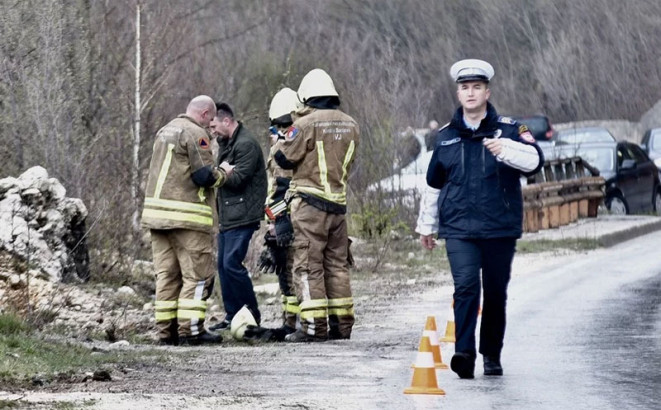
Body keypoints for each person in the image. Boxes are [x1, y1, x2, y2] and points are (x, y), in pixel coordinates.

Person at [416, 59, 544, 378]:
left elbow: (535, 162)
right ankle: (464, 353)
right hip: (459, 228)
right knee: (466, 286)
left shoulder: (511, 130)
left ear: (487, 91)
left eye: (476, 87)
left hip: (500, 227)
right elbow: (433, 185)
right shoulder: (444, 138)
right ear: (458, 94)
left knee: (496, 291)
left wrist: (506, 149)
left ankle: (491, 354)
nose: (470, 93)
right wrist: (426, 227)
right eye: (464, 88)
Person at [274, 68, 360, 343]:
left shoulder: (307, 124)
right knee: (336, 265)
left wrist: (281, 140)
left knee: (307, 265)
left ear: (307, 96)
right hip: (338, 206)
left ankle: (313, 327)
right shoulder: (351, 124)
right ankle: (342, 325)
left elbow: (284, 159)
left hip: (310, 206)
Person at [141, 95, 233, 346]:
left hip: (157, 218)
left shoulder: (164, 130)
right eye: (210, 119)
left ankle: (165, 332)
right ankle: (191, 331)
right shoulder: (196, 134)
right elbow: (204, 175)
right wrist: (224, 173)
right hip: (188, 219)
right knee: (197, 276)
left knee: (167, 276)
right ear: (204, 114)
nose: (210, 125)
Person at [209, 102, 267, 331]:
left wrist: (219, 173)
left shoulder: (246, 144)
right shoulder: (227, 143)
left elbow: (239, 178)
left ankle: (251, 314)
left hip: (242, 213)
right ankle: (232, 315)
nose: (211, 130)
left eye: (214, 125)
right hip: (228, 214)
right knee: (223, 266)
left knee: (232, 263)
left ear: (226, 120)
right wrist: (223, 170)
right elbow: (226, 173)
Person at [255, 87, 301, 341]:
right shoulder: (294, 147)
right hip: (289, 217)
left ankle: (292, 323)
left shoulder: (285, 152)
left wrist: (277, 221)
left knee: (290, 272)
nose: (273, 135)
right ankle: (292, 320)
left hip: (290, 220)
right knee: (288, 272)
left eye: (276, 129)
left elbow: (283, 191)